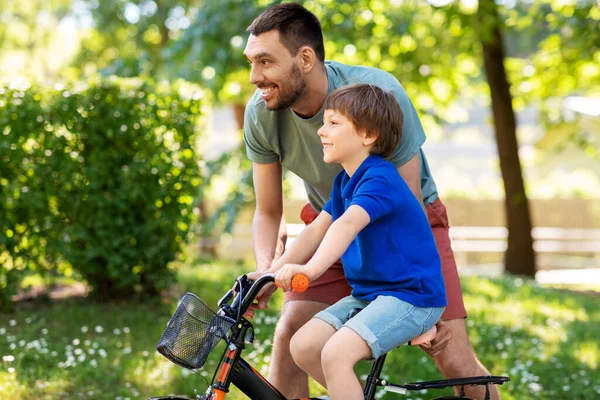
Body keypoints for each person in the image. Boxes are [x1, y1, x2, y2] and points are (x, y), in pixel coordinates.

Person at [242, 3, 500, 399]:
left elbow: (407, 207)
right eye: (251, 61)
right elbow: (283, 213)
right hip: (332, 227)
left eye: (265, 61)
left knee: (451, 352)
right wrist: (269, 272)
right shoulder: (266, 116)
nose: (254, 77)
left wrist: (311, 271)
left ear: (305, 58)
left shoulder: (378, 98)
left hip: (406, 229)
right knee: (295, 338)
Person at [256, 83, 447, 400]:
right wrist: (269, 274)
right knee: (303, 347)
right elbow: (317, 229)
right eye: (323, 122)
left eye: (333, 122)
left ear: (367, 134)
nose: (320, 131)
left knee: (336, 354)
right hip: (373, 295)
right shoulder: (346, 181)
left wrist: (311, 270)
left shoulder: (379, 178)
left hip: (412, 296)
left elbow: (346, 225)